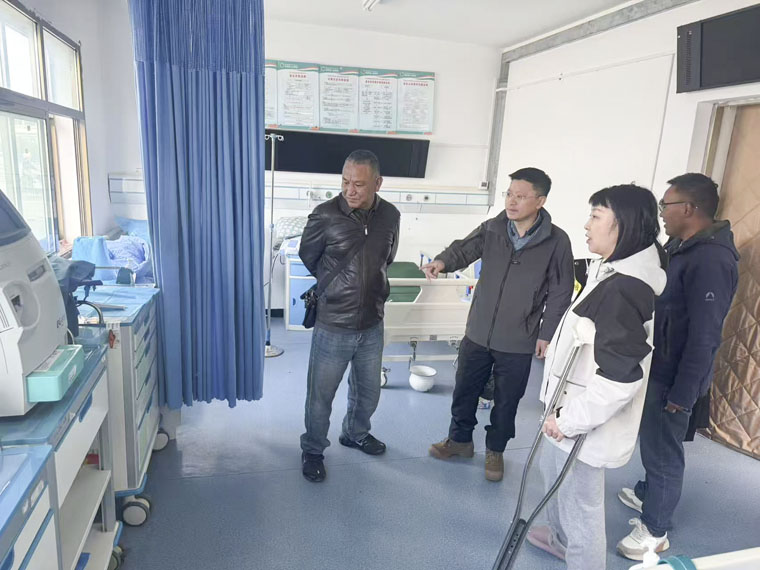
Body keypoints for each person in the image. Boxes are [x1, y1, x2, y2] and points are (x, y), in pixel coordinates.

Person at [528, 185, 667, 570]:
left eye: (595, 216)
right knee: (553, 476)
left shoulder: (624, 288)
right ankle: (558, 539)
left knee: (581, 505)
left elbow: (621, 379)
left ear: (622, 225)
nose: (586, 225)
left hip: (581, 418)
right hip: (567, 404)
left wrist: (568, 421)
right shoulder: (613, 267)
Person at [616, 174, 739, 560]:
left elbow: (705, 336)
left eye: (665, 206)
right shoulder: (682, 246)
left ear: (688, 209)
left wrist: (683, 394)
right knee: (652, 441)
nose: (661, 214)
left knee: (663, 452)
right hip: (659, 364)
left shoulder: (712, 259)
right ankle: (650, 493)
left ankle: (655, 531)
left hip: (675, 378)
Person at [424, 167, 574, 482]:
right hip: (478, 331)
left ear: (540, 201)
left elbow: (561, 291)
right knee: (464, 390)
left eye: (521, 196)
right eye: (509, 194)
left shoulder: (557, 241)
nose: (511, 202)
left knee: (507, 401)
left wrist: (547, 334)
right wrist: (442, 261)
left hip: (519, 338)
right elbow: (464, 248)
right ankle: (460, 441)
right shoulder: (493, 228)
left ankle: (495, 449)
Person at [298, 150, 400, 483]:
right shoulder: (325, 215)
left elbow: (387, 258)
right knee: (321, 397)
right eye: (345, 182)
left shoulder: (391, 215)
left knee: (368, 392)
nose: (350, 190)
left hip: (372, 322)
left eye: (359, 184)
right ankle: (313, 449)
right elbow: (309, 257)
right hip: (334, 324)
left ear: (377, 183)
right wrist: (338, 288)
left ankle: (355, 433)